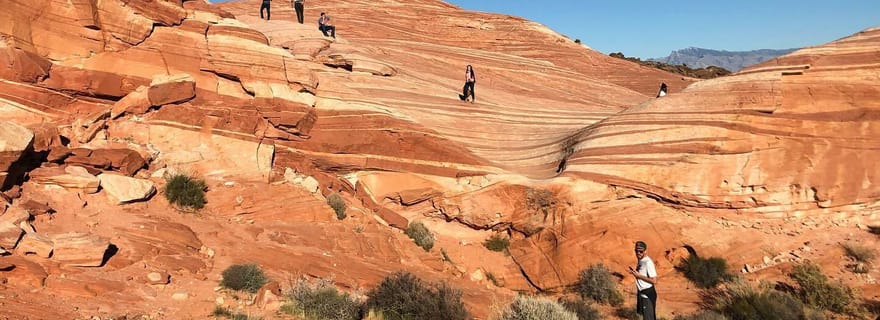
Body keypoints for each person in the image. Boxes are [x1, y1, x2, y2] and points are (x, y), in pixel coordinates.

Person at [628, 241, 657, 320]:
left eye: (641, 251)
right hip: (642, 293)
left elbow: (654, 280)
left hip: (647, 294)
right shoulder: (641, 261)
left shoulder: (648, 262)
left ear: (645, 251)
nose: (638, 253)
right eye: (636, 251)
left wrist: (638, 276)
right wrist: (635, 273)